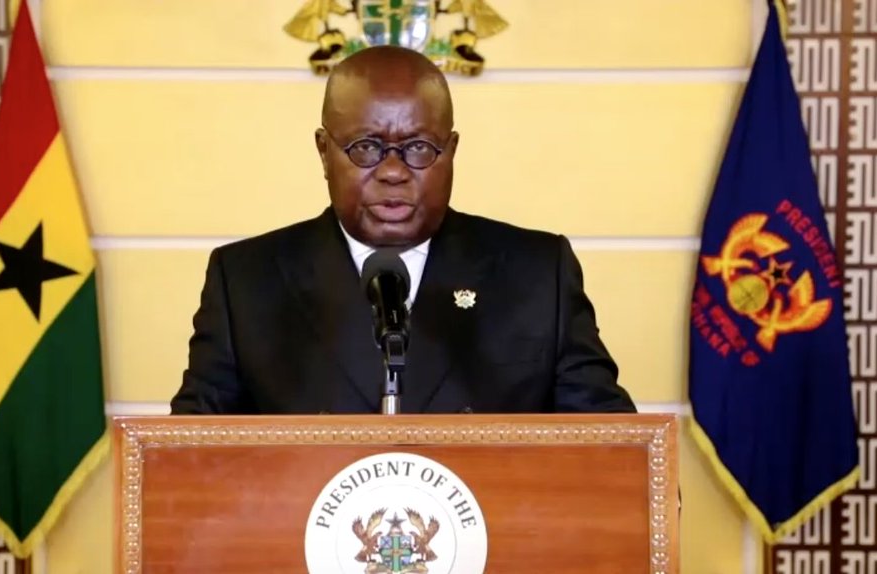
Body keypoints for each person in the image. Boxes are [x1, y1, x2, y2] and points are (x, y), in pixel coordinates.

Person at [170, 45, 636, 415]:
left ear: (451, 151)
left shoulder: (537, 273)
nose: (393, 171)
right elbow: (186, 458)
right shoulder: (246, 281)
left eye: (418, 147)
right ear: (323, 152)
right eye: (365, 147)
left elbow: (614, 451)